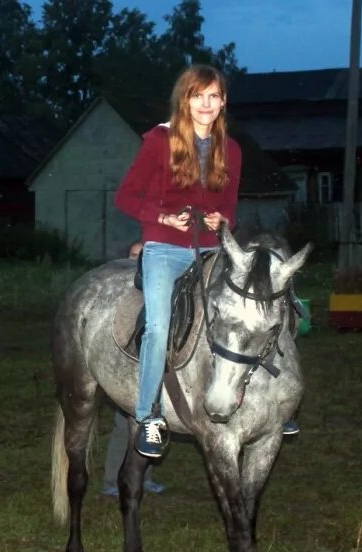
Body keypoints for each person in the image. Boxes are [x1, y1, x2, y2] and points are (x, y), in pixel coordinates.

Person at [114, 64, 241, 458]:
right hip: (165, 248)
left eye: (214, 96)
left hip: (211, 249)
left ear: (223, 102)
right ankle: (148, 415)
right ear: (184, 99)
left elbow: (230, 209)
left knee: (253, 305)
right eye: (198, 95)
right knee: (157, 325)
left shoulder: (231, 150)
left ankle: (272, 398)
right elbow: (126, 197)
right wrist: (163, 217)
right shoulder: (159, 141)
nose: (206, 103)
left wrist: (223, 221)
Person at [103, 241, 166, 496]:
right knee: (124, 427)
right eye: (133, 255)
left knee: (151, 426)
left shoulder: (157, 295)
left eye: (142, 257)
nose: (137, 262)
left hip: (151, 373)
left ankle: (145, 477)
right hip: (126, 375)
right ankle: (110, 481)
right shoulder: (118, 300)